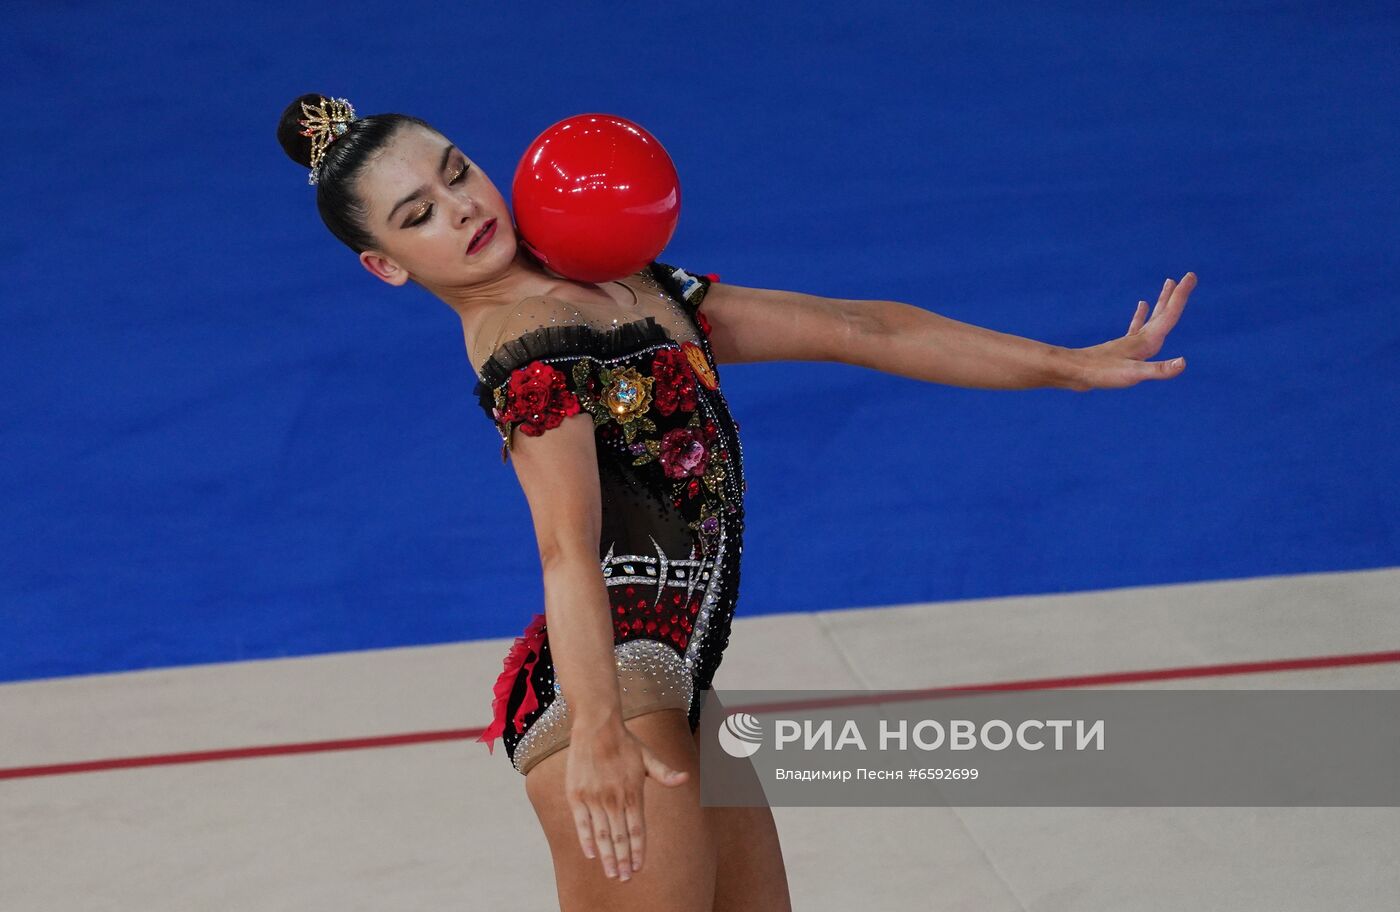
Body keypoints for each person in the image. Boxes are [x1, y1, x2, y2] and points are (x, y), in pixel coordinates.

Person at [276, 93, 1195, 912]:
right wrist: (597, 734)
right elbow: (568, 550)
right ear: (386, 265)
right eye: (419, 215)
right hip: (612, 694)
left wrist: (1066, 365)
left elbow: (855, 327)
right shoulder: (529, 346)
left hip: (678, 679)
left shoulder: (629, 281)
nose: (464, 206)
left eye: (457, 172)